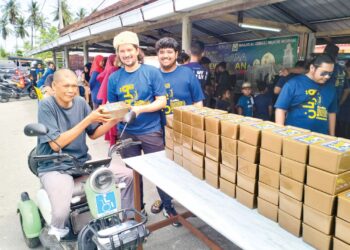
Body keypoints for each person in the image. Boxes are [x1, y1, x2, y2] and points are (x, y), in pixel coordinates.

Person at [37, 69, 134, 240]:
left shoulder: (81, 102)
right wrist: (88, 119)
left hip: (81, 163)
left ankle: (126, 222)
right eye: (66, 86)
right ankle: (54, 234)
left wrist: (114, 120)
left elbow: (93, 134)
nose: (71, 90)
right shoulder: (47, 105)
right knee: (60, 212)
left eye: (75, 86)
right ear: (54, 86)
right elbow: (55, 143)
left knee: (127, 175)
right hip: (54, 165)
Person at [107, 31, 166, 217]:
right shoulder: (114, 78)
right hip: (127, 132)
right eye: (121, 51)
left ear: (137, 50)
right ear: (118, 54)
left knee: (160, 172)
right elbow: (113, 106)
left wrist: (139, 109)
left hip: (151, 131)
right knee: (132, 175)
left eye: (129, 50)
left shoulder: (151, 72)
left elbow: (161, 101)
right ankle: (137, 210)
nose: (126, 55)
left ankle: (168, 207)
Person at [151, 37, 204, 223]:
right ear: (157, 55)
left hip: (185, 131)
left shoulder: (187, 74)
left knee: (188, 168)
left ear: (176, 54)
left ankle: (191, 202)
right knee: (164, 171)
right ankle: (167, 205)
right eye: (161, 52)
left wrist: (196, 127)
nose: (165, 55)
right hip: (159, 132)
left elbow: (198, 101)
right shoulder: (152, 75)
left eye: (169, 52)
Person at [275, 54, 337, 135]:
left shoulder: (331, 88)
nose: (327, 76)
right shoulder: (293, 84)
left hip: (320, 138)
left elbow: (332, 112)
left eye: (330, 73)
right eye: (324, 73)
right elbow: (280, 110)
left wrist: (332, 135)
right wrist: (280, 134)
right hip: (294, 136)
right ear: (312, 68)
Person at [97, 54, 119, 146]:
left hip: (108, 96)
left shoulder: (110, 70)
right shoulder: (113, 70)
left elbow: (100, 78)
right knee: (114, 119)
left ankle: (112, 141)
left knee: (111, 119)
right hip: (112, 97)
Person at [337, 60, 350, 139]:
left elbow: (346, 91)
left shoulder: (345, 80)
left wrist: (339, 104)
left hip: (344, 113)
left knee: (342, 135)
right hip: (343, 113)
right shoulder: (344, 80)